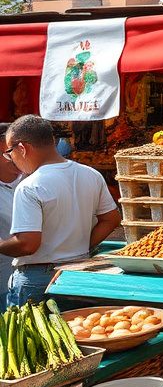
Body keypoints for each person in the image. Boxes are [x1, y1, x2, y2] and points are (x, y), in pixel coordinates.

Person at [0, 116, 119, 307]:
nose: (11, 159)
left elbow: (27, 245)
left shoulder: (30, 186)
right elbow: (111, 219)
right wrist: (80, 246)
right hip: (78, 273)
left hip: (38, 280)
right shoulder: (91, 174)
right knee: (75, 324)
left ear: (22, 148)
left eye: (9, 152)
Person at [0, 126, 21, 295]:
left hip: (36, 277)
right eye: (8, 154)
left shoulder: (34, 181)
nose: (15, 158)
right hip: (4, 277)